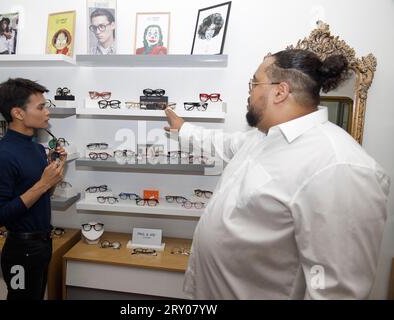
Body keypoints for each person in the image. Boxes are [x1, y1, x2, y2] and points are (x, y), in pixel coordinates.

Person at [164, 49, 390, 299]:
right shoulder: (264, 137)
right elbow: (224, 143)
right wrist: (183, 129)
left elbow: (337, 291)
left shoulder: (339, 167)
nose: (249, 92)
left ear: (280, 91)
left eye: (254, 83)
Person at [0, 78, 67, 300]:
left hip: (41, 244)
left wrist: (54, 173)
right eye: (40, 107)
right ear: (19, 113)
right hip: (21, 251)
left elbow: (41, 196)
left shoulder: (36, 148)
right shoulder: (3, 156)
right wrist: (43, 183)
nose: (47, 112)